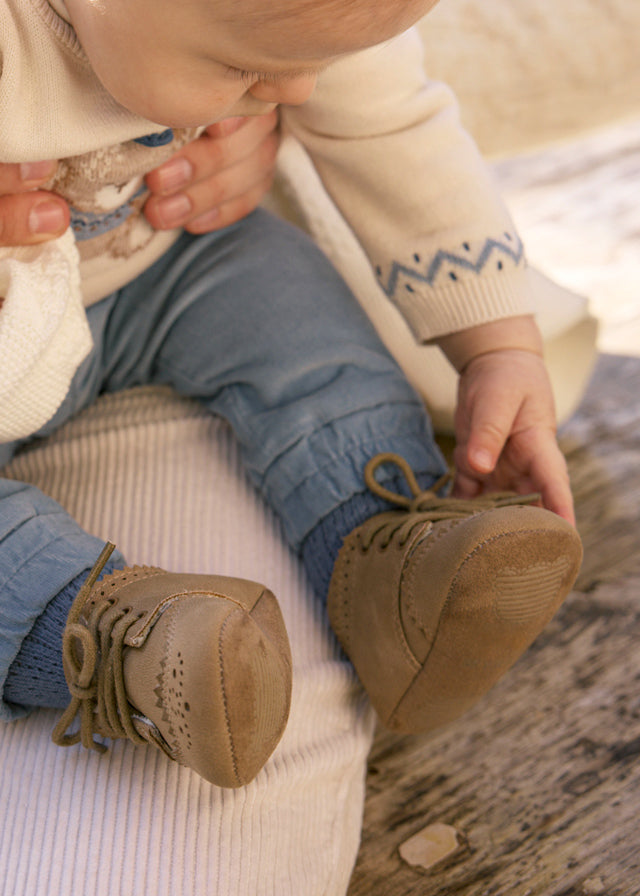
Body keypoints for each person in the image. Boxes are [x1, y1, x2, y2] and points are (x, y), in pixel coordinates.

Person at [0, 0, 582, 788]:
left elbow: (393, 128)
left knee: (286, 296)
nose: (300, 93)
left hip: (157, 269)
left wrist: (498, 342)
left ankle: (387, 557)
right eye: (244, 68)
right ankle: (118, 644)